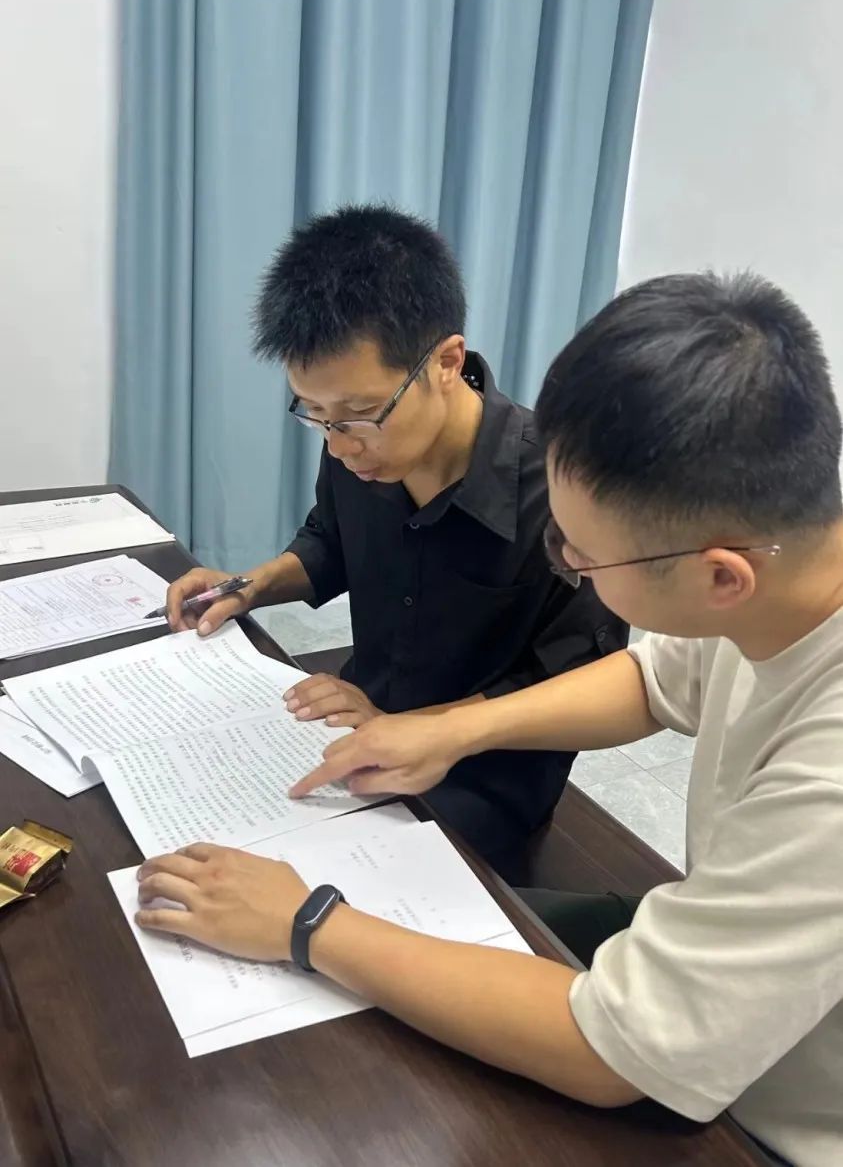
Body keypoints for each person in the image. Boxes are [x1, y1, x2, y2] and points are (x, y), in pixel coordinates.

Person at [142, 271, 843, 1166]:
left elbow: (614, 1056)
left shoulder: (824, 779)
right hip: (709, 973)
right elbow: (653, 679)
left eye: (580, 557)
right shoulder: (781, 581)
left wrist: (305, 923)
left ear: (719, 577)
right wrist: (450, 731)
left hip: (769, 1116)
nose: (566, 563)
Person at [166, 204, 626, 879]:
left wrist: (422, 726)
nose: (339, 444)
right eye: (316, 416)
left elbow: (580, 681)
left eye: (358, 415)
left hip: (482, 781)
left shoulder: (564, 492)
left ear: (446, 361)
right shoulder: (357, 444)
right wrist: (250, 586)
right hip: (359, 726)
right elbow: (331, 541)